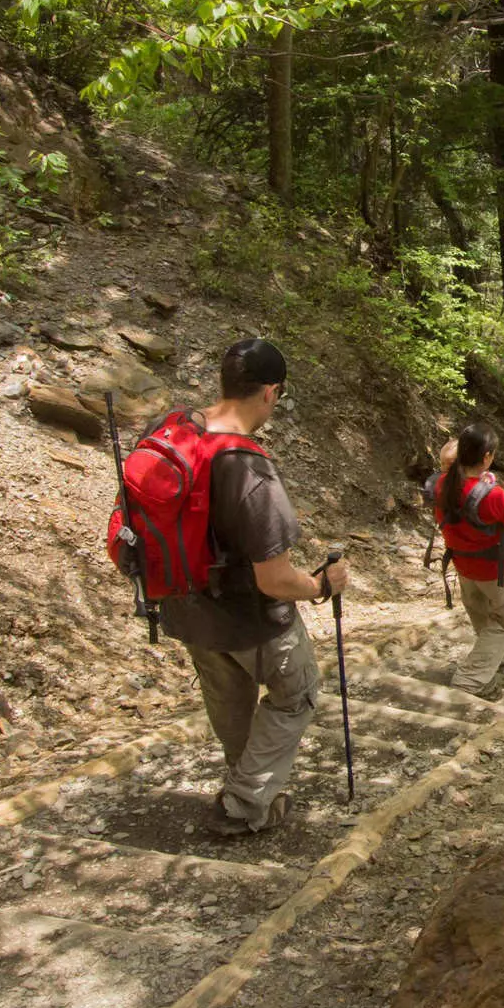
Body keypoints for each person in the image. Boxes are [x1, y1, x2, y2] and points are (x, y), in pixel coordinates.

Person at [159, 337, 348, 835]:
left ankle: (247, 787)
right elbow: (275, 579)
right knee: (297, 692)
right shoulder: (249, 468)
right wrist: (322, 584)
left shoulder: (176, 432)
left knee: (229, 699)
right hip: (248, 618)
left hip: (185, 603)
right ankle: (243, 803)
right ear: (270, 393)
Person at [435, 422, 504, 696]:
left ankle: (492, 658)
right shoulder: (493, 494)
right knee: (503, 619)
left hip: (462, 564)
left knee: (481, 613)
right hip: (496, 568)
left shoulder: (441, 484)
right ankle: (472, 679)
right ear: (486, 456)